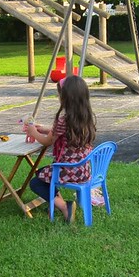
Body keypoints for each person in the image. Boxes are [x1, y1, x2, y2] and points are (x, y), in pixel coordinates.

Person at [26, 75, 96, 223]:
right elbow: (61, 134)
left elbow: (47, 141)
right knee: (42, 173)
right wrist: (44, 129)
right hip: (84, 170)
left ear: (65, 98)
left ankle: (64, 206)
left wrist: (33, 132)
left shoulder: (63, 120)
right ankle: (57, 202)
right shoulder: (86, 117)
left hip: (68, 170)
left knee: (36, 182)